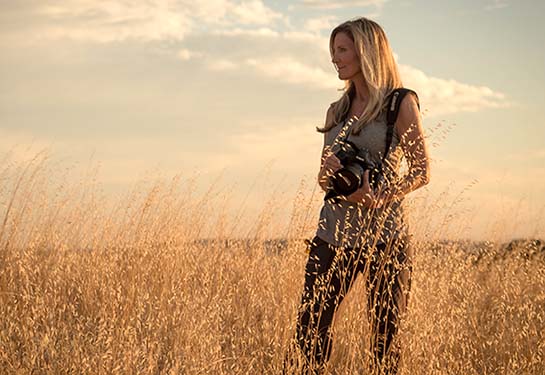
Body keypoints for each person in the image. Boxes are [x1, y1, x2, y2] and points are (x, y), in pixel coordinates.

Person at [285, 17, 430, 374]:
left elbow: (421, 171)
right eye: (333, 51)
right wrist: (329, 172)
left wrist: (379, 197)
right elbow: (323, 180)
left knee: (386, 339)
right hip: (332, 235)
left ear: (366, 50)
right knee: (309, 331)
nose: (335, 58)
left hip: (386, 237)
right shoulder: (335, 111)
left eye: (342, 49)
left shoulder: (399, 103)